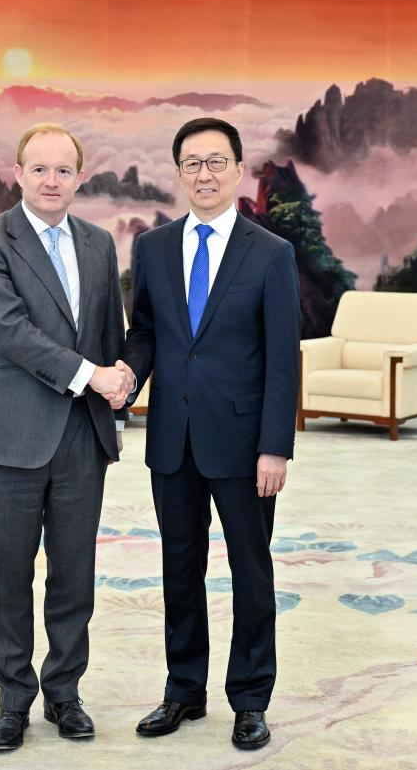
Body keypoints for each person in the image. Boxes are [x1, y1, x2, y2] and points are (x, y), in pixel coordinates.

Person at [120, 117, 301, 750]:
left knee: (251, 572)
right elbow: (145, 332)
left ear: (238, 169)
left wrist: (275, 446)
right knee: (179, 567)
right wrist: (126, 377)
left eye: (216, 161)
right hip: (173, 438)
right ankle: (183, 690)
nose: (205, 174)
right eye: (192, 163)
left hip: (245, 445)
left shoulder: (271, 253)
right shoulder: (153, 248)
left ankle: (250, 699)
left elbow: (283, 358)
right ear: (179, 173)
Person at [0, 123, 133, 751]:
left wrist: (121, 385)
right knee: (8, 577)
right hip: (7, 435)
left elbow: (109, 332)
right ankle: (12, 700)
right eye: (39, 169)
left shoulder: (98, 244)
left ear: (79, 177)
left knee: (74, 576)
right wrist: (92, 375)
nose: (51, 181)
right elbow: (9, 330)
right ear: (18, 174)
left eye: (63, 170)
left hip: (82, 435)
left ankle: (64, 693)